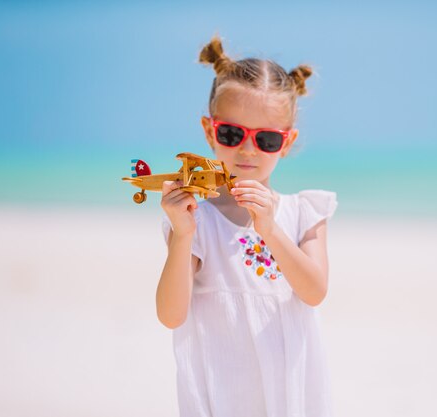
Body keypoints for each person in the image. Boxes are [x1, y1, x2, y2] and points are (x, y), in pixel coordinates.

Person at [156, 35, 338, 417]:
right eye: (231, 133)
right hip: (224, 394)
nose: (248, 149)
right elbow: (171, 315)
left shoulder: (304, 213)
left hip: (289, 394)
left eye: (267, 138)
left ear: (286, 143)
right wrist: (182, 236)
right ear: (209, 131)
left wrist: (270, 229)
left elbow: (314, 291)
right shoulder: (197, 221)